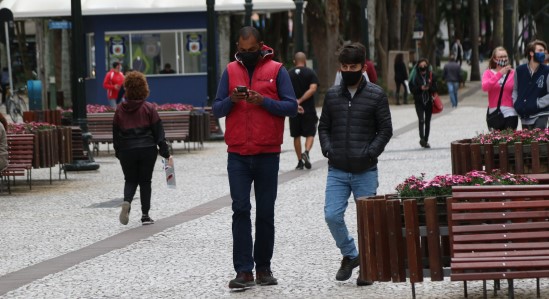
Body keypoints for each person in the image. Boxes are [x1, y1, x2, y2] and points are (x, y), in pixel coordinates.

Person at [212, 26, 297, 289]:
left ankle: (264, 269)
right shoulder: (229, 71)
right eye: (242, 50)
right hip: (237, 154)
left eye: (251, 50)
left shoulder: (277, 70)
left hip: (267, 153)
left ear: (261, 45)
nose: (246, 54)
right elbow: (216, 109)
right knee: (240, 210)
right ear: (237, 47)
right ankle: (243, 272)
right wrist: (232, 100)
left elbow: (292, 107)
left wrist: (264, 101)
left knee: (265, 213)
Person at [318, 42, 393, 286]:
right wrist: (328, 149)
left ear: (363, 67)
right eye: (345, 66)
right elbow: (324, 127)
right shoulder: (331, 95)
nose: (349, 70)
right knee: (331, 215)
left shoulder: (376, 94)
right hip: (337, 169)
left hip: (365, 170)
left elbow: (385, 129)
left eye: (354, 66)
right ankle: (351, 254)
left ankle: (368, 268)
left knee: (367, 222)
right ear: (340, 67)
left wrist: (371, 152)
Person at [113, 71, 171, 226]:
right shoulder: (149, 108)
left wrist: (118, 151)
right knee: (145, 181)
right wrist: (164, 149)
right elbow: (158, 131)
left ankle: (127, 202)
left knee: (130, 180)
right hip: (147, 149)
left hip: (127, 150)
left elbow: (116, 133)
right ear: (144, 88)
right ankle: (145, 215)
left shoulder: (119, 109)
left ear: (127, 89)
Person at [288, 52, 319, 170]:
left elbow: (284, 90)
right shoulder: (310, 73)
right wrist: (301, 100)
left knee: (296, 135)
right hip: (308, 108)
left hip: (293, 109)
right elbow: (313, 89)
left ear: (294, 61)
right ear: (305, 61)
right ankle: (306, 151)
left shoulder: (288, 74)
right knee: (310, 132)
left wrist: (294, 102)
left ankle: (299, 161)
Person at [512, 39, 549, 130]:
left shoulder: (547, 71)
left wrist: (537, 103)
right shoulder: (519, 70)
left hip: (541, 113)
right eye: (540, 51)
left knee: (538, 142)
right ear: (531, 53)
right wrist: (516, 103)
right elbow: (515, 89)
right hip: (525, 116)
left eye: (544, 51)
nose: (543, 53)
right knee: (528, 143)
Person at [482, 46, 518, 130]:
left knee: (509, 140)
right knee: (497, 141)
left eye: (505, 56)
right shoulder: (488, 73)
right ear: (494, 59)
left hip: (511, 112)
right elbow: (485, 87)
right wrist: (499, 74)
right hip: (495, 112)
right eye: (501, 57)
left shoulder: (513, 73)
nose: (503, 59)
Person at [409, 58, 437, 148]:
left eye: (424, 65)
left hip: (429, 101)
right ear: (418, 67)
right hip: (419, 102)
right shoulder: (415, 76)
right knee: (421, 120)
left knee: (427, 122)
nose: (423, 67)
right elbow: (412, 89)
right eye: (421, 66)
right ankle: (421, 138)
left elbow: (435, 88)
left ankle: (425, 140)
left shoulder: (431, 75)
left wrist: (429, 88)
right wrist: (420, 88)